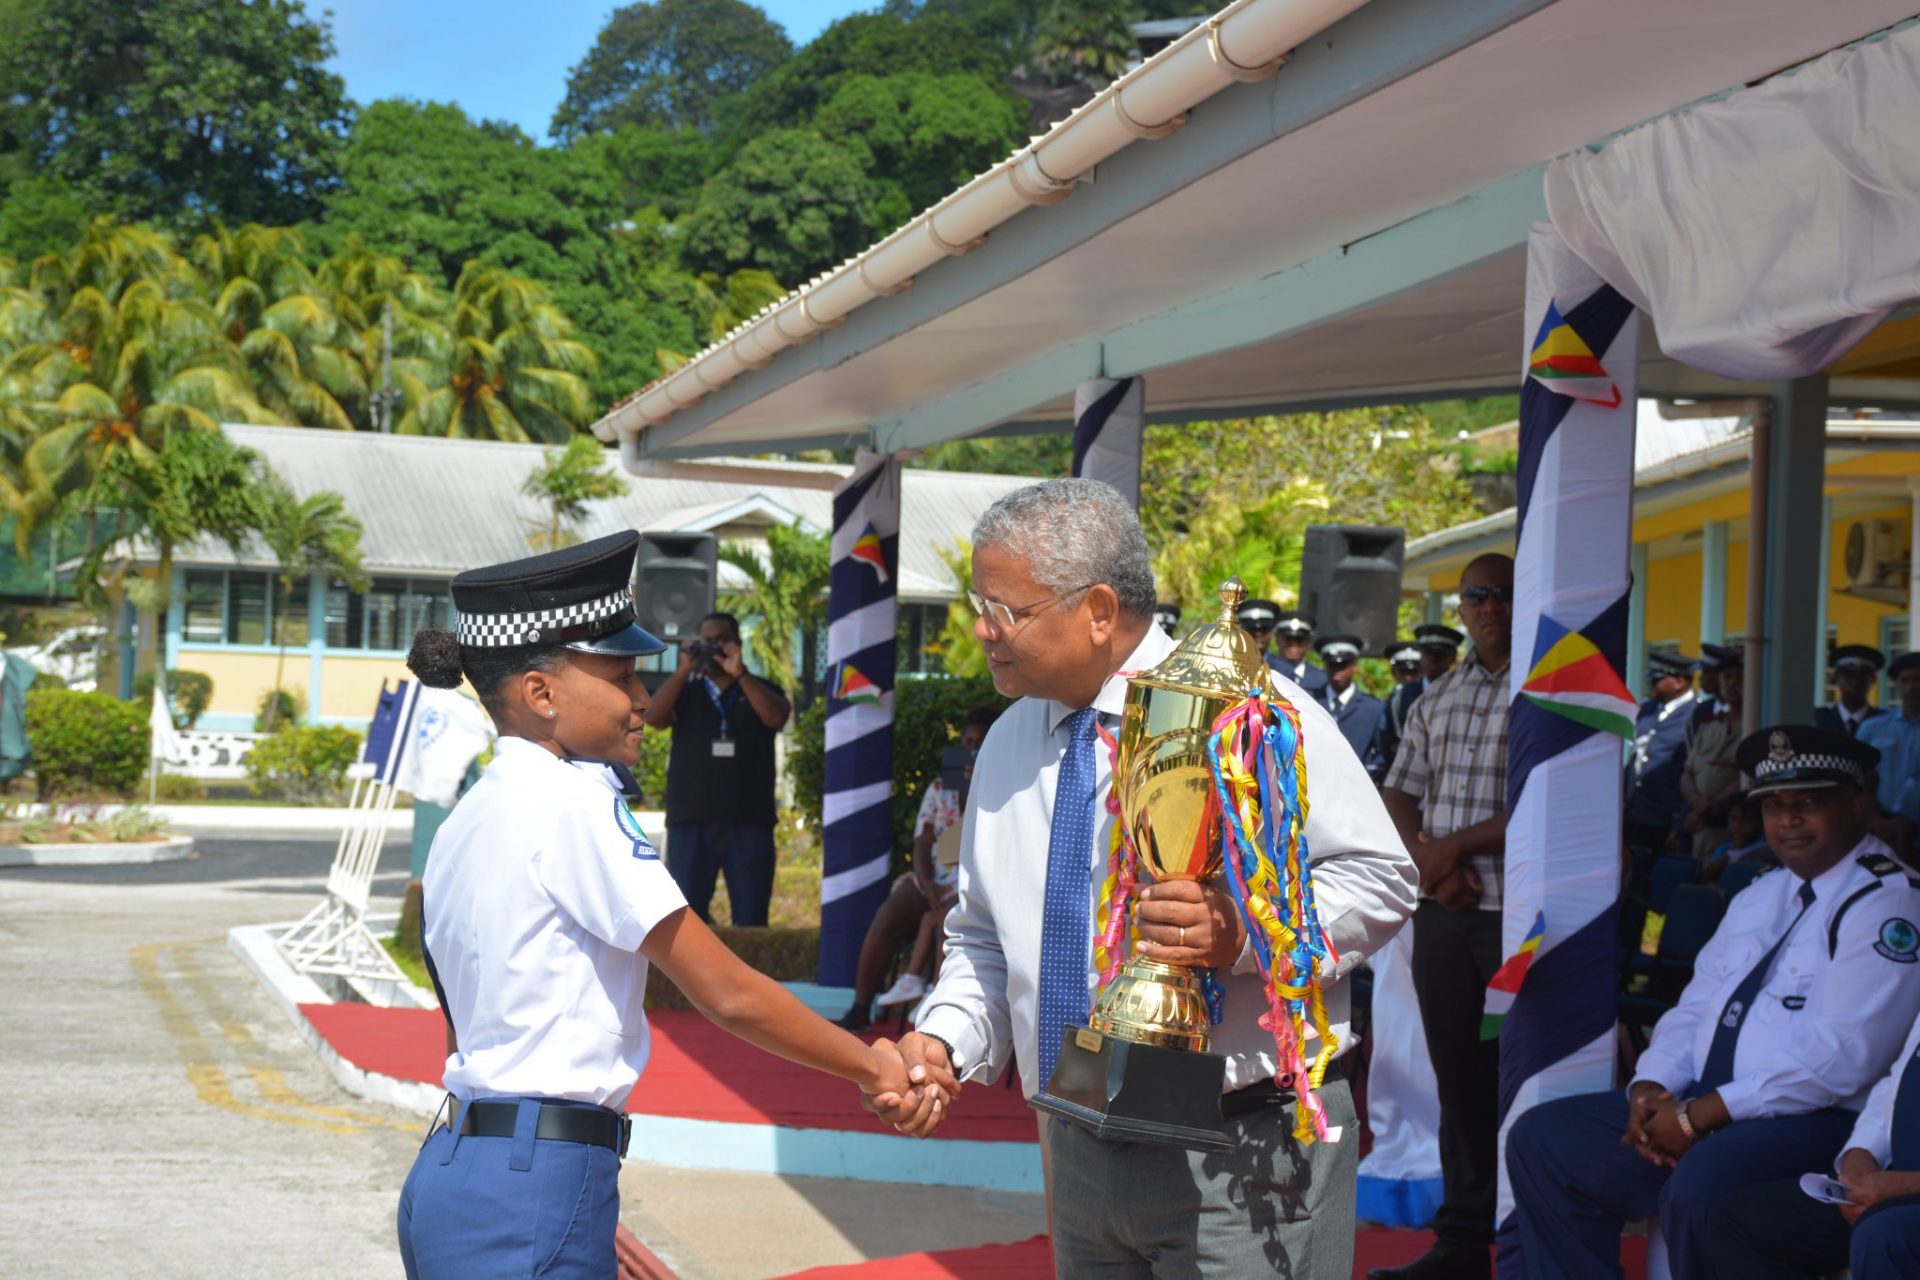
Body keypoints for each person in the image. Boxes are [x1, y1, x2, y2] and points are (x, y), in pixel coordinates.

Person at [884, 478, 1417, 1278]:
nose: (983, 630)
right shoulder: (1006, 743)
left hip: (1245, 1143)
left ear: (1099, 609)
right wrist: (944, 1039)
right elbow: (985, 940)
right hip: (1079, 1130)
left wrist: (1242, 934)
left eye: (1006, 609)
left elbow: (1380, 876)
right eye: (977, 602)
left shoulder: (1250, 709)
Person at [394, 532, 946, 1280]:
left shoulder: (471, 814)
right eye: (622, 677)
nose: (640, 702)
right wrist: (871, 1067)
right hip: (531, 1183)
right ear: (541, 694)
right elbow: (727, 991)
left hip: (462, 1168)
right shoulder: (571, 804)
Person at [1502, 725, 1920, 1280]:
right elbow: (1696, 1006)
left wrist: (1698, 1118)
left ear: (1858, 803)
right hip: (1708, 1106)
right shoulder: (1763, 891)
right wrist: (1650, 1090)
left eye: (1810, 803)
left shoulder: (1890, 902)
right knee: (1547, 1138)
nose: (1788, 819)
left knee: (1703, 1184)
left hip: (1812, 1120)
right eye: (1774, 805)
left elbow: (1841, 1059)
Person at [1374, 553, 1515, 1280]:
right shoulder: (1439, 696)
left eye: (1502, 594)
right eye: (1476, 597)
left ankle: (1524, 1233)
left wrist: (1446, 852)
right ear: (1461, 610)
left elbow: (1547, 802)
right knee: (1456, 1075)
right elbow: (1399, 792)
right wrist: (1431, 862)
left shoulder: (1543, 694)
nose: (1489, 606)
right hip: (1448, 915)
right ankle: (1462, 1241)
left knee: (1515, 1075)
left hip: (1515, 921)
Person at [1708, 1009, 1920, 1280]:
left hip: (1905, 1197)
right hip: (1892, 1180)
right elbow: (1899, 1083)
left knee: (1883, 1235)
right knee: (1739, 1223)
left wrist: (1906, 1186)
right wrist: (1862, 1153)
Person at [837, 706, 999, 1030]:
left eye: (979, 744)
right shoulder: (941, 787)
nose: (970, 750)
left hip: (975, 881)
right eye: (967, 742)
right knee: (888, 916)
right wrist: (927, 885)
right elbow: (923, 842)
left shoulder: (1002, 784)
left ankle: (936, 1016)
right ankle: (860, 1007)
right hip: (935, 877)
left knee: (946, 922)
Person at [642, 611, 791, 926]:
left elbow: (775, 718)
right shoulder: (687, 690)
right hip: (691, 820)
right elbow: (653, 718)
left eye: (720, 640)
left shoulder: (760, 687)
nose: (712, 648)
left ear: (737, 645)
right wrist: (684, 669)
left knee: (751, 919)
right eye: (706, 641)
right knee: (686, 921)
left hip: (749, 821)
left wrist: (741, 675)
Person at [1624, 650, 1697, 853]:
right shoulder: (1646, 709)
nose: (1651, 684)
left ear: (1679, 682)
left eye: (1658, 679)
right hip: (1636, 813)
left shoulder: (1695, 713)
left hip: (1668, 818)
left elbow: (1693, 769)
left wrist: (1678, 822)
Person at [1681, 647, 1745, 865]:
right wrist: (1697, 803)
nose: (1731, 683)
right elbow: (1687, 774)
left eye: (1739, 677)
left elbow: (1748, 775)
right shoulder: (1709, 725)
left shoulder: (1757, 724)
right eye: (1726, 677)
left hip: (1734, 831)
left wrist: (1712, 805)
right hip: (1701, 829)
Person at [1861, 652, 1920, 833]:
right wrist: (1874, 820)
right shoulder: (1873, 728)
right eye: (1905, 680)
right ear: (1896, 684)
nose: (1911, 687)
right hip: (1881, 825)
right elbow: (1862, 779)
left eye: (1918, 679)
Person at [1318, 632, 1388, 782]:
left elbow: (1382, 754)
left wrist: (1367, 775)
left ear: (1355, 666)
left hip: (1356, 792)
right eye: (1332, 665)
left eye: (1342, 666)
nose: (1337, 672)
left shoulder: (1373, 709)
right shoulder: (1311, 703)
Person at [1240, 597, 1330, 698]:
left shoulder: (1285, 671)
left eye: (1264, 629)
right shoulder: (1230, 661)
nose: (1258, 634)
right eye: (1252, 630)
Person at [1816, 645, 1886, 738]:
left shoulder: (1884, 722)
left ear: (1873, 680)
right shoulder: (1818, 720)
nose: (1854, 682)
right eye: (1848, 676)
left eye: (1862, 677)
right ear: (1834, 678)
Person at [1380, 638, 1425, 770]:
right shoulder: (1392, 700)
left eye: (1413, 672)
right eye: (1403, 671)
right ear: (1394, 672)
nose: (1408, 677)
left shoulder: (1429, 699)